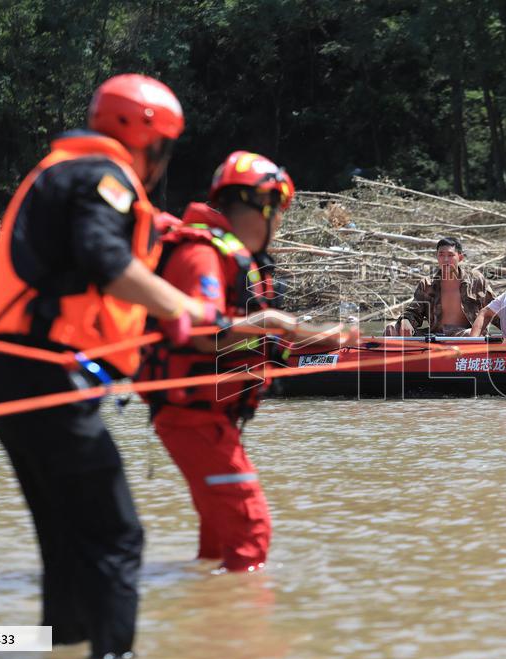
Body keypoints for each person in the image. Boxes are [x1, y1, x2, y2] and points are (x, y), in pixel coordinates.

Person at [0, 74, 217, 659]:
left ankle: (65, 647)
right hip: (45, 378)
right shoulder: (102, 177)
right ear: (149, 139)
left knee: (66, 541)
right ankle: (113, 656)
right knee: (117, 535)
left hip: (9, 376)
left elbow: (81, 266)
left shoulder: (68, 172)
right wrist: (179, 305)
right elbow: (104, 260)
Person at [140, 150, 351, 572]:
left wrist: (332, 336)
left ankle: (207, 617)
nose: (279, 226)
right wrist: (276, 321)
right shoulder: (202, 254)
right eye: (279, 213)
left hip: (211, 418)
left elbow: (261, 339)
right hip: (192, 418)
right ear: (262, 207)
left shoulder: (229, 257)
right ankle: (242, 633)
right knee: (251, 530)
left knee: (219, 540)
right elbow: (204, 337)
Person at [384, 237, 495, 336]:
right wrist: (406, 320)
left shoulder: (476, 280)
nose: (446, 260)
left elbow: (495, 308)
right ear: (437, 257)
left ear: (460, 257)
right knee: (391, 328)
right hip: (434, 335)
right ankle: (392, 357)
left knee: (469, 334)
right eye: (441, 255)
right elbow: (414, 311)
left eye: (450, 255)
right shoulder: (427, 284)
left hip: (466, 334)